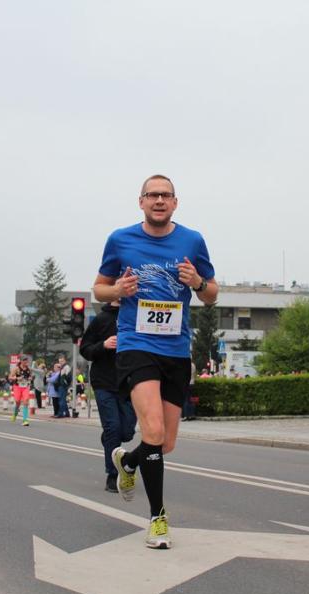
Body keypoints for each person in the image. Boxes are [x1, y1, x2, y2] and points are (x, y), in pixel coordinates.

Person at [93, 173, 217, 549]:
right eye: (152, 195)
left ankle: (129, 462)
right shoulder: (120, 239)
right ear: (141, 201)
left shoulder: (192, 241)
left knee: (166, 442)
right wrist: (117, 289)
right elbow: (98, 288)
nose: (159, 200)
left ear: (175, 202)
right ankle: (158, 519)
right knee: (153, 430)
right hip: (137, 345)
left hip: (176, 350)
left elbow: (211, 294)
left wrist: (197, 282)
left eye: (166, 195)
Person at [80, 300, 137, 493]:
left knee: (126, 432)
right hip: (103, 382)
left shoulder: (137, 316)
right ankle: (113, 475)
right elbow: (85, 349)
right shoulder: (102, 319)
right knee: (113, 427)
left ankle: (108, 438)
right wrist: (103, 345)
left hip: (128, 383)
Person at [10, 359, 32, 426]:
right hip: (17, 387)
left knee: (26, 401)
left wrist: (30, 378)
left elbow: (30, 376)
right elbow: (10, 377)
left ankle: (25, 420)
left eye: (27, 361)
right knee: (17, 401)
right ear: (21, 361)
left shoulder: (29, 369)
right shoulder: (16, 368)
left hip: (26, 387)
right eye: (24, 361)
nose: (26, 362)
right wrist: (17, 378)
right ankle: (15, 414)